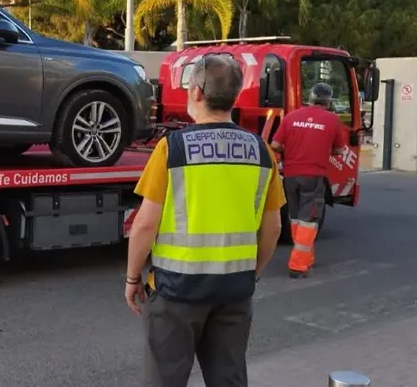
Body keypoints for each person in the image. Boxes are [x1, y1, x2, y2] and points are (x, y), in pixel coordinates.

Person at [124, 54, 285, 387]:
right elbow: (274, 227)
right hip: (234, 291)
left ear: (197, 92)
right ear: (234, 96)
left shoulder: (173, 148)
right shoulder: (261, 151)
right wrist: (249, 273)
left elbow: (144, 224)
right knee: (229, 379)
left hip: (175, 292)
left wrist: (132, 278)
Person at [269, 82, 347, 279]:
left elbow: (276, 144)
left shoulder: (292, 116)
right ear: (328, 100)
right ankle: (298, 264)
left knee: (295, 218)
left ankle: (306, 256)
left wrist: (293, 152)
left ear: (310, 97)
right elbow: (339, 150)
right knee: (309, 220)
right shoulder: (332, 120)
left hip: (291, 176)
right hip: (314, 176)